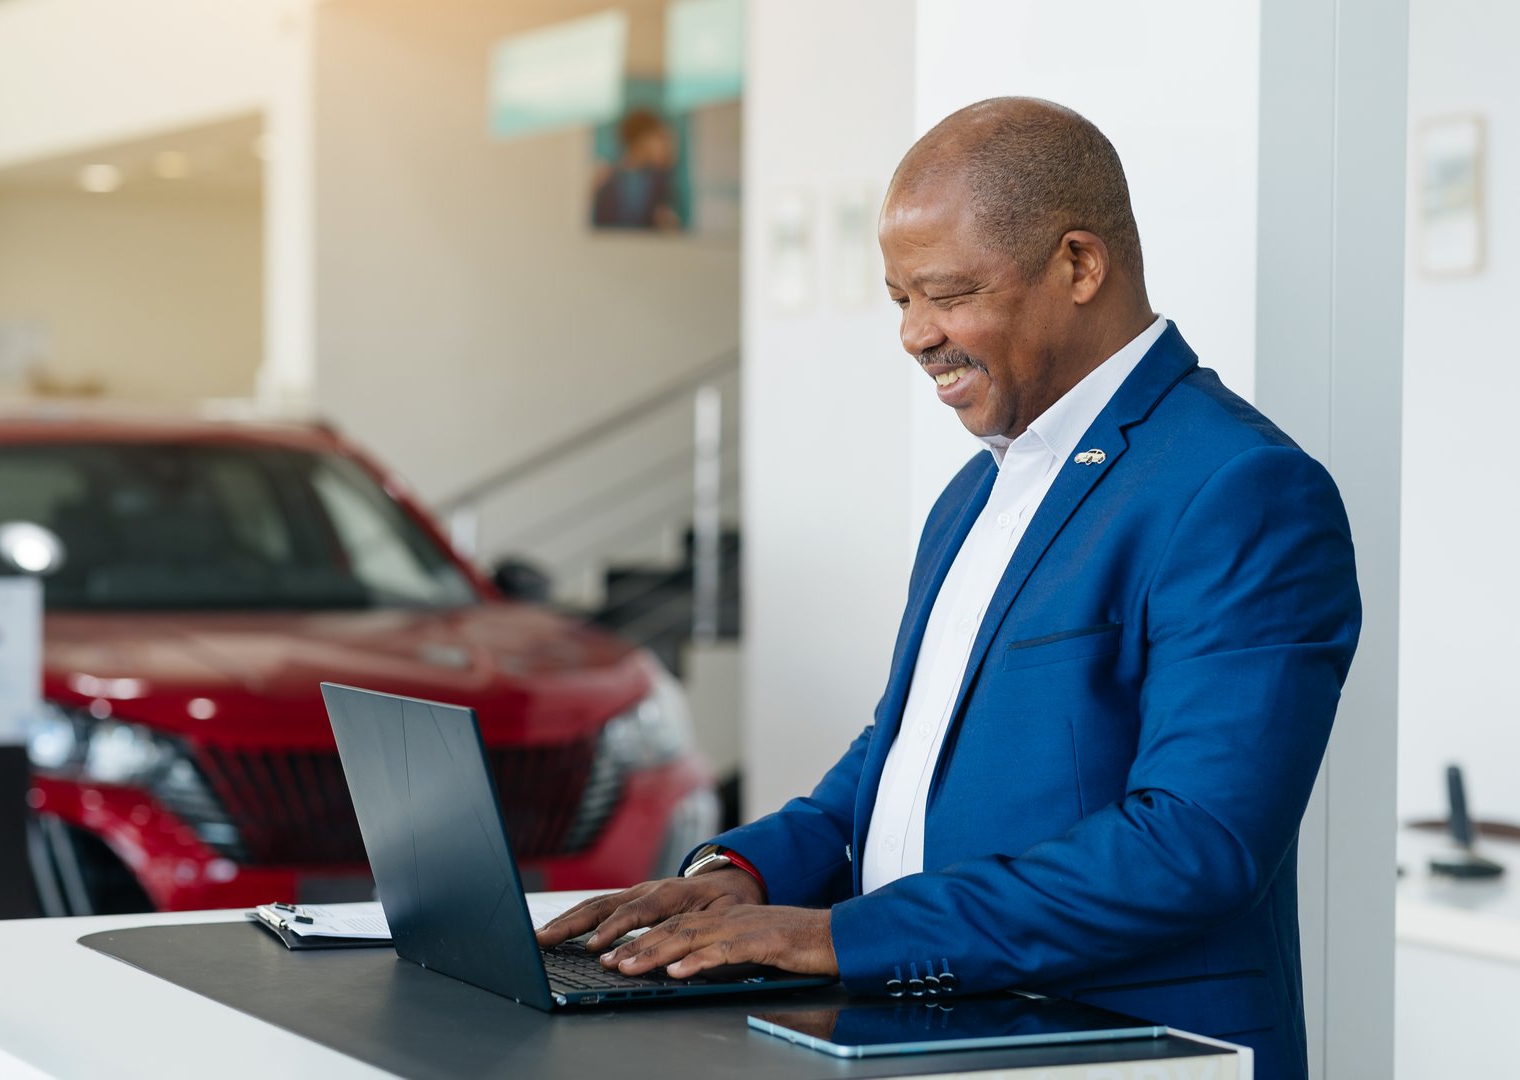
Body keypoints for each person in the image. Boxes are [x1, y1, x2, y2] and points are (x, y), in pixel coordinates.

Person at [539, 97, 1361, 1079]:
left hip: (1126, 1052)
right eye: (900, 300)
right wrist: (747, 873)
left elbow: (1193, 843)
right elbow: (901, 757)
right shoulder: (974, 493)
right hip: (939, 1041)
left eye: (949, 293)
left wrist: (841, 939)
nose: (916, 336)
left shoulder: (1241, 488)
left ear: (1080, 265)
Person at [590, 108, 681, 230]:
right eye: (658, 137)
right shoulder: (607, 178)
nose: (662, 145)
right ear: (642, 139)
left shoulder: (661, 179)